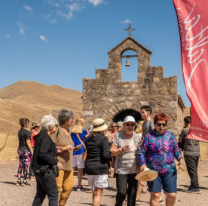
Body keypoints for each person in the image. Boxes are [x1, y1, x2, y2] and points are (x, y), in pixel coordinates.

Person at [139, 113, 182, 206]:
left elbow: (176, 149)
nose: (161, 127)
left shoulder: (171, 136)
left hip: (169, 169)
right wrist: (143, 164)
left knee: (172, 194)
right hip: (153, 170)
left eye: (164, 124)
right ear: (154, 124)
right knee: (155, 195)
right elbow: (142, 152)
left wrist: (179, 157)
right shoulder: (149, 136)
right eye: (159, 124)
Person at [51, 109, 82, 206]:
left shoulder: (68, 131)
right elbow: (50, 147)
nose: (72, 120)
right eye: (71, 119)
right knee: (57, 188)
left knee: (69, 187)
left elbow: (68, 147)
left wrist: (74, 149)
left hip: (68, 165)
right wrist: (65, 148)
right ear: (65, 120)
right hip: (58, 164)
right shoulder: (57, 130)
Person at [31, 114, 63, 206]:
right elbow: (42, 154)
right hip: (45, 170)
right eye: (55, 125)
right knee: (54, 195)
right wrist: (56, 162)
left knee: (40, 195)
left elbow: (42, 151)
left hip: (38, 170)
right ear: (50, 126)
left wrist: (55, 150)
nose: (56, 127)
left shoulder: (41, 136)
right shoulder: (46, 137)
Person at [110, 116, 140, 206]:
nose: (130, 126)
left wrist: (139, 166)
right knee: (122, 192)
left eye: (132, 124)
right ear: (124, 125)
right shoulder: (118, 136)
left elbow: (140, 153)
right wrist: (121, 150)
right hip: (121, 169)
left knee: (132, 194)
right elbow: (112, 152)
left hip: (134, 169)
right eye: (128, 124)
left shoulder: (137, 136)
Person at [140, 105, 164, 205]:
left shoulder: (152, 123)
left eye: (142, 112)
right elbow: (144, 136)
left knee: (154, 174)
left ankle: (158, 196)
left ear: (148, 113)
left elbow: (156, 136)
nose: (141, 114)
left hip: (154, 153)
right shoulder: (144, 124)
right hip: (147, 152)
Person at [85, 118, 111, 206]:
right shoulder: (103, 139)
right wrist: (111, 159)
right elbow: (105, 154)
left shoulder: (88, 138)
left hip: (90, 167)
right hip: (100, 167)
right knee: (98, 194)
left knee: (94, 192)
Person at [179, 116, 201, 194]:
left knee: (191, 170)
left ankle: (196, 187)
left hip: (189, 152)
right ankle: (192, 185)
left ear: (186, 122)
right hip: (197, 152)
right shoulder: (197, 130)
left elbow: (180, 139)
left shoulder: (185, 130)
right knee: (194, 169)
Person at [71, 118, 88, 191]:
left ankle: (70, 184)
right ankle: (79, 185)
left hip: (73, 150)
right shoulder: (84, 131)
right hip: (81, 150)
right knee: (80, 169)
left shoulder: (72, 131)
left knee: (72, 168)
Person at [16, 118, 33, 186]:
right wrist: (32, 151)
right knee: (26, 165)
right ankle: (24, 180)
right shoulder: (27, 132)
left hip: (19, 150)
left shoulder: (19, 131)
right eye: (28, 123)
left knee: (20, 165)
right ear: (26, 124)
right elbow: (28, 142)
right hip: (25, 150)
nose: (29, 124)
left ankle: (18, 180)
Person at [134, 120, 144, 204]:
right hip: (143, 157)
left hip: (135, 157)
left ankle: (134, 195)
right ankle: (137, 196)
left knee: (135, 176)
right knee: (141, 177)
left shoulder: (136, 135)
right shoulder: (144, 136)